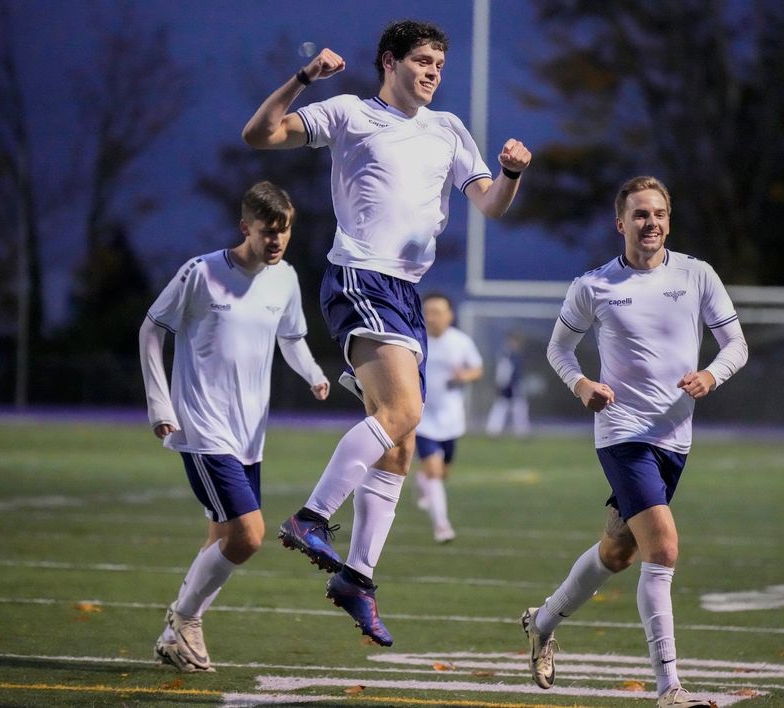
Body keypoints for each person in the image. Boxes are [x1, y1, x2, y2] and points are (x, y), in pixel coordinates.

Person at [242, 19, 531, 647]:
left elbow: (490, 205)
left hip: (404, 293)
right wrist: (301, 79)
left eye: (439, 64)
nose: (432, 72)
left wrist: (509, 173)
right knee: (405, 410)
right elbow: (260, 134)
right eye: (422, 60)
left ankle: (357, 579)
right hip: (359, 279)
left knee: (399, 443)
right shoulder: (349, 112)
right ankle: (310, 516)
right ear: (389, 62)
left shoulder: (448, 129)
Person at [519, 176, 748, 707]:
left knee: (618, 552)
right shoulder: (593, 286)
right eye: (641, 214)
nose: (652, 223)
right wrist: (582, 385)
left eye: (660, 213)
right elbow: (559, 350)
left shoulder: (697, 274)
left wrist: (710, 376)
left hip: (675, 438)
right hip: (622, 434)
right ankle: (669, 687)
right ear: (620, 223)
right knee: (662, 547)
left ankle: (543, 621)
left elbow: (734, 343)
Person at [139, 181, 330, 672]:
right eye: (268, 232)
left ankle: (172, 636)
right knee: (248, 535)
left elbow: (292, 337)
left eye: (284, 233)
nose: (277, 242)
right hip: (203, 427)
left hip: (250, 435)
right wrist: (161, 405)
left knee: (221, 535)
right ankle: (185, 619)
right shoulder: (201, 273)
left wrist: (313, 373)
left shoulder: (284, 278)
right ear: (245, 227)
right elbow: (151, 328)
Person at [411, 292, 483, 543]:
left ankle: (422, 480)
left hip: (451, 419)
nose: (431, 317)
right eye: (427, 312)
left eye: (437, 312)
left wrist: (464, 376)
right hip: (421, 417)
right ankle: (442, 526)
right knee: (433, 469)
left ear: (449, 315)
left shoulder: (460, 342)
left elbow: (477, 368)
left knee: (442, 473)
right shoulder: (415, 340)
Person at [484, 331, 530, 437]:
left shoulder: (511, 354)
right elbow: (504, 372)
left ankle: (520, 432)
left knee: (516, 408)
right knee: (504, 407)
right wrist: (503, 384)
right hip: (509, 386)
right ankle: (494, 431)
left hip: (512, 385)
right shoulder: (508, 355)